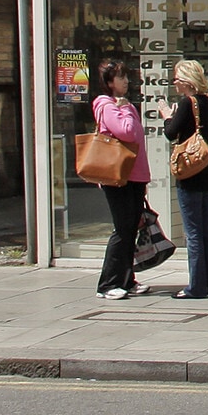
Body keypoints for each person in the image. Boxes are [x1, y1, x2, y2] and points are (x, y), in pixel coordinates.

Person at [90, 59, 151, 299]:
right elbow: (127, 132)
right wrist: (124, 108)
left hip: (134, 176)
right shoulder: (107, 105)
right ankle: (107, 284)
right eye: (120, 77)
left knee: (131, 228)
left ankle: (127, 279)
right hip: (117, 177)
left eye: (126, 76)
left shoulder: (125, 105)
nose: (126, 81)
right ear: (108, 82)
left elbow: (137, 138)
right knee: (122, 229)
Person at [162, 57, 208, 299]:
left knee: (193, 232)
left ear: (186, 82)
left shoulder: (187, 103)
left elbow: (170, 133)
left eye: (177, 79)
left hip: (189, 173)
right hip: (206, 171)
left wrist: (167, 114)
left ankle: (196, 286)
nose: (175, 84)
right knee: (206, 229)